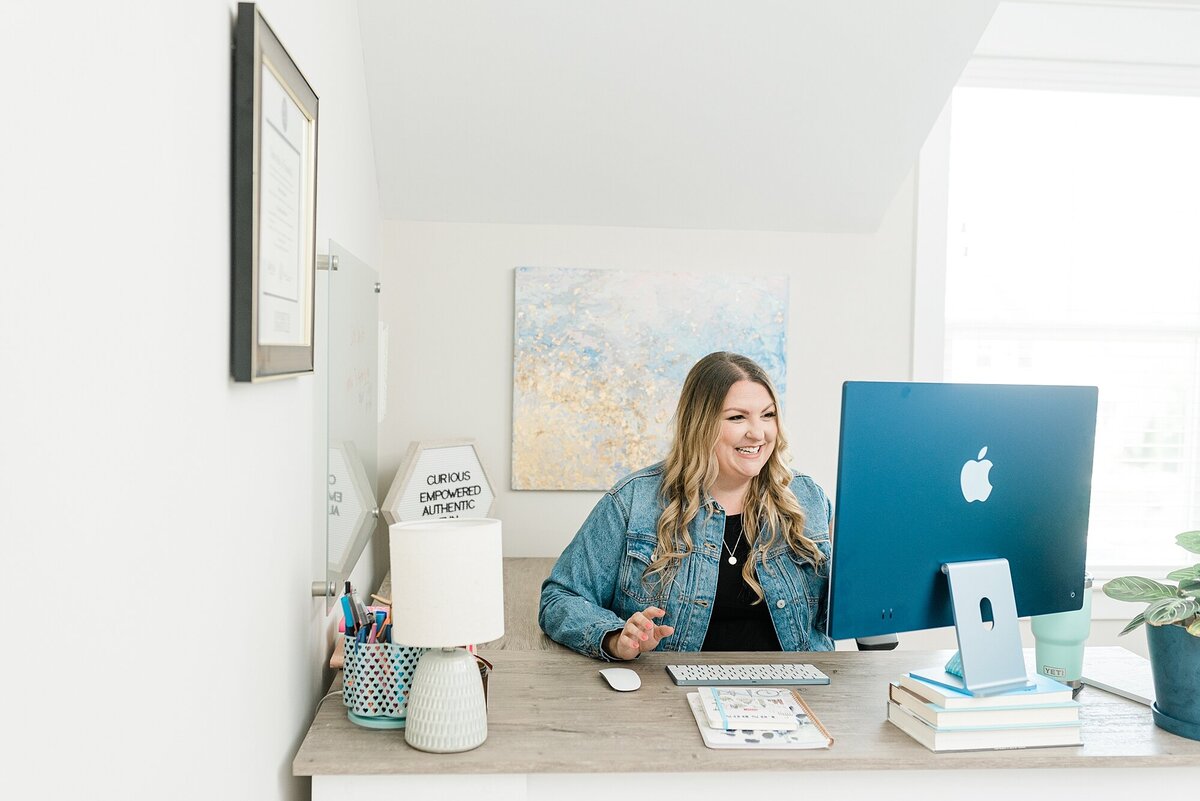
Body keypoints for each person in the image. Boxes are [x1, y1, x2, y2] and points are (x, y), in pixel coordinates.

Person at [538, 351, 834, 660]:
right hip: (670, 696)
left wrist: (862, 578)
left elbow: (833, 618)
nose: (758, 433)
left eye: (768, 415)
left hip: (796, 692)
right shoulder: (633, 501)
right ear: (700, 424)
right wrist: (615, 637)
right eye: (737, 417)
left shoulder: (807, 497)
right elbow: (560, 598)